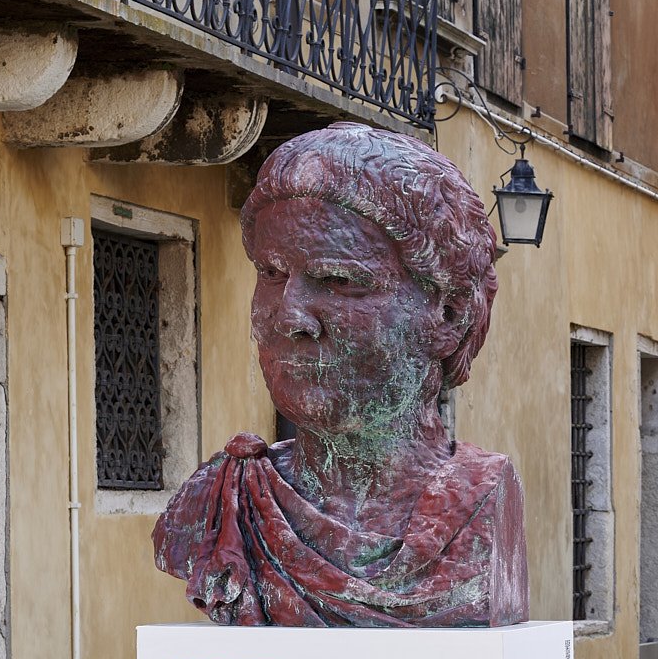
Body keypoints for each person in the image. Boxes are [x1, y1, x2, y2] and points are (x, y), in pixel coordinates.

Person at [153, 122, 527, 625]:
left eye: (337, 279)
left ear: (449, 314)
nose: (290, 315)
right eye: (272, 274)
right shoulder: (224, 504)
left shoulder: (482, 498)